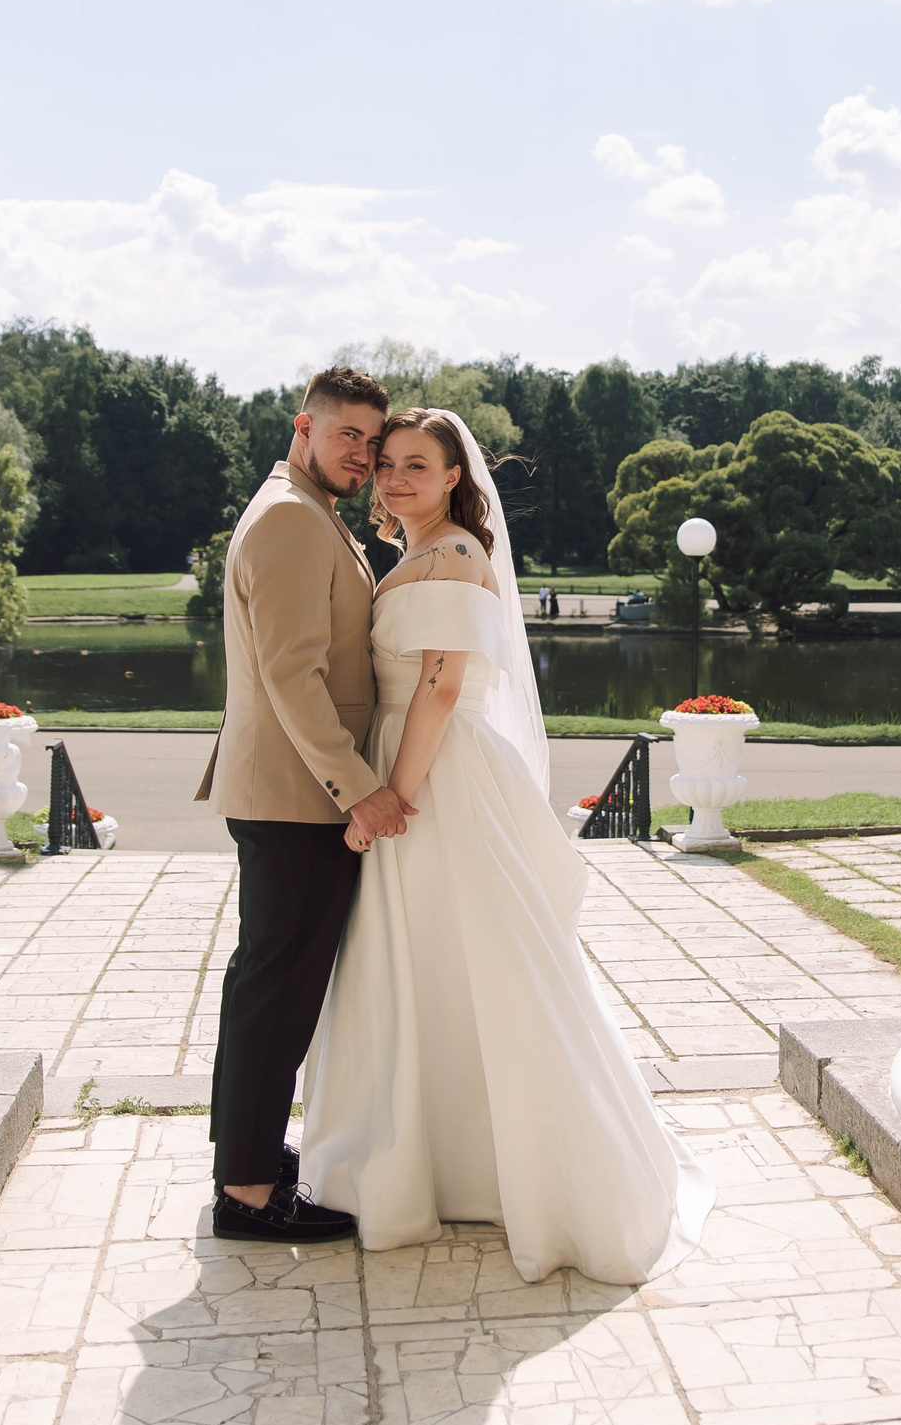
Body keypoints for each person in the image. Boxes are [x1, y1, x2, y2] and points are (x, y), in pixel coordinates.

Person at [300, 408, 714, 1284]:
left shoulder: (451, 554)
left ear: (457, 476)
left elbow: (443, 687)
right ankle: (439, 1156)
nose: (397, 478)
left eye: (419, 464)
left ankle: (513, 1164)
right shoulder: (411, 555)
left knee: (479, 959)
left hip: (437, 776)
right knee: (424, 964)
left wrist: (393, 798)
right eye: (389, 465)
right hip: (409, 763)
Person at [195, 366, 411, 1243]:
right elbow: (293, 675)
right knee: (275, 991)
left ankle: (246, 1156)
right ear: (304, 426)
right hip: (297, 794)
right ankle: (246, 1191)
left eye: (372, 438)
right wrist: (358, 788)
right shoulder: (289, 517)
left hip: (292, 790)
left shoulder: (308, 509)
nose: (361, 452)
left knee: (269, 986)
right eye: (347, 434)